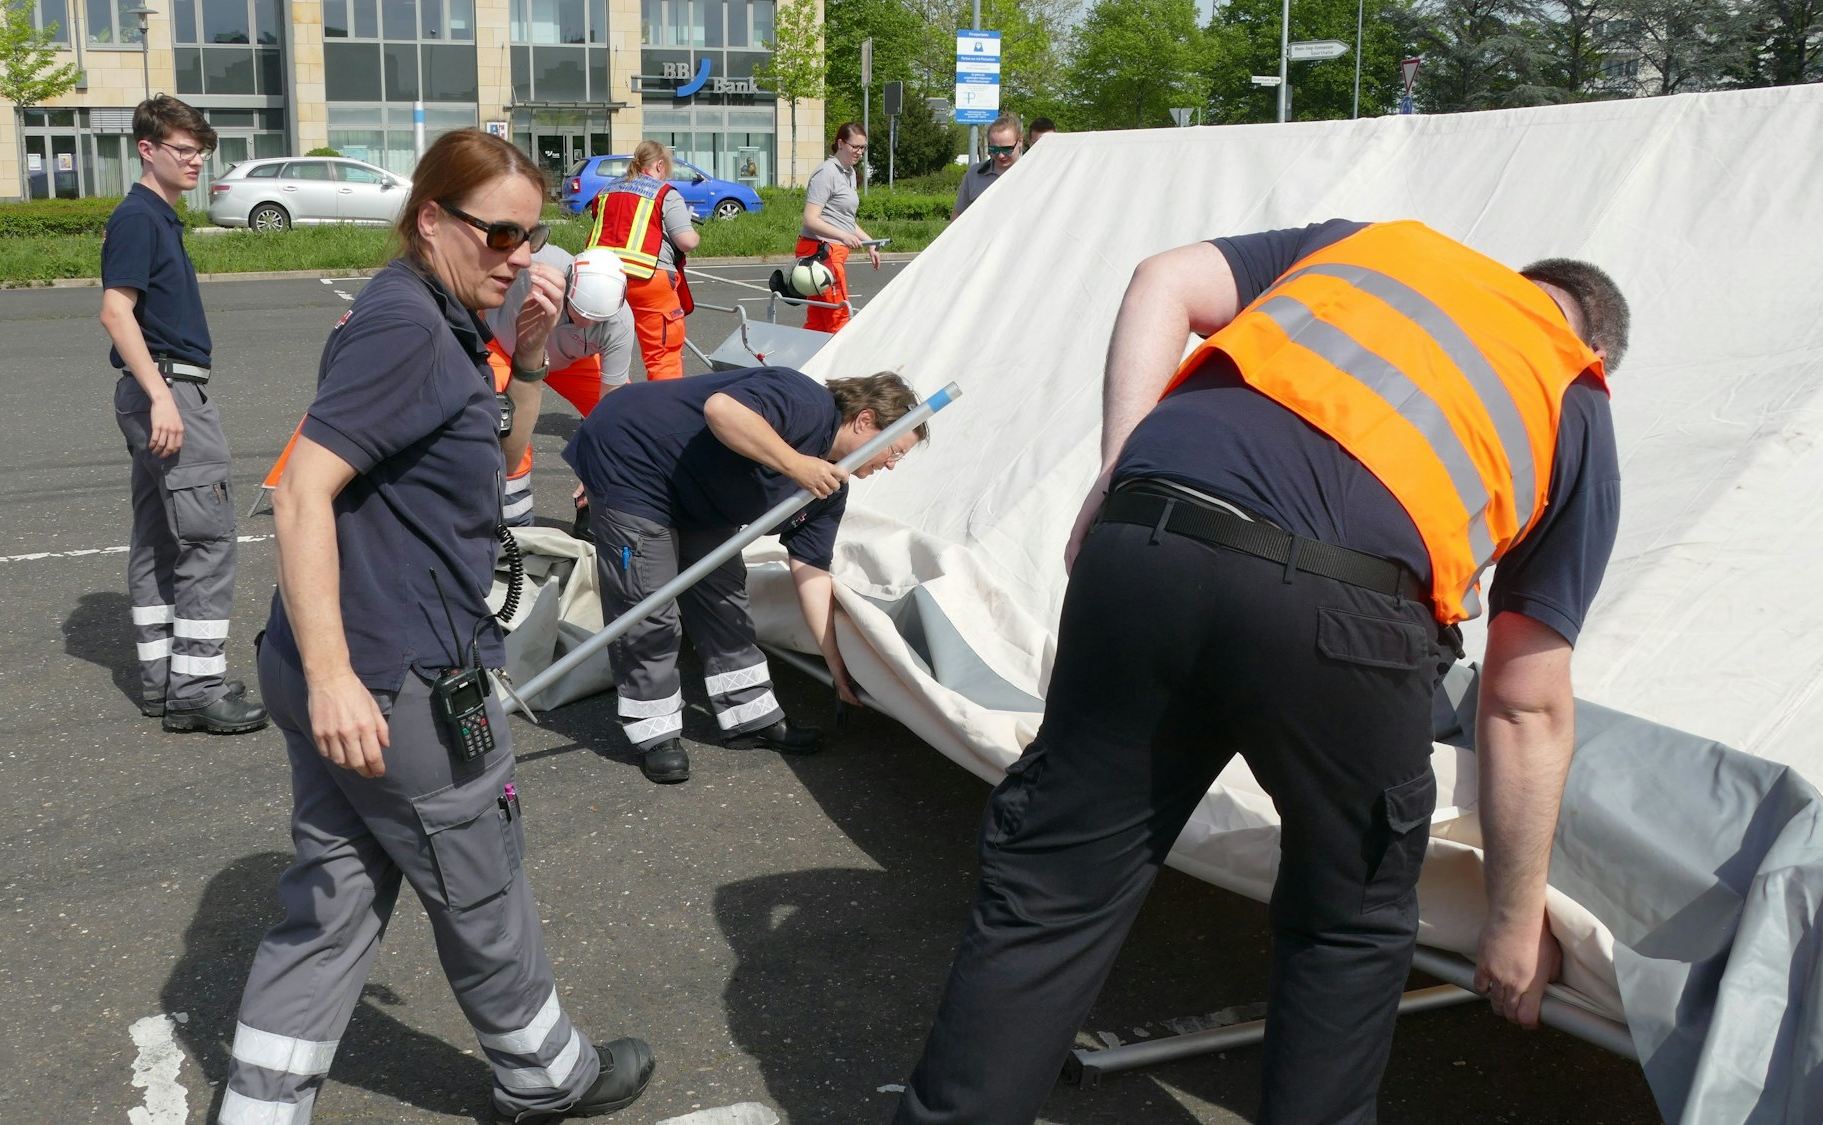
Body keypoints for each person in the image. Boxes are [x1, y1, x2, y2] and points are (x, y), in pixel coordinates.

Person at [894, 218, 1631, 1124]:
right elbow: (1524, 702)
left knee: (1056, 889)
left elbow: (1162, 276)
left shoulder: (1378, 247)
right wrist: (1514, 919)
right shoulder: (1575, 395)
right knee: (1346, 923)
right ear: (1594, 345)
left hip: (1148, 538)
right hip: (1348, 613)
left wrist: (1118, 470)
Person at [222, 130, 654, 1125]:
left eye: (532, 236)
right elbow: (299, 495)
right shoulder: (406, 328)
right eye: (497, 233)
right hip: (394, 680)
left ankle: (258, 1109)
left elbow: (481, 454)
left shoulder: (438, 318)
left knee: (330, 908)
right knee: (481, 885)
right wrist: (335, 678)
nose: (519, 256)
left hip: (348, 667)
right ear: (431, 220)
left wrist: (532, 356)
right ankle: (548, 1079)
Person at [562, 368, 924, 784]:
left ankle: (750, 717)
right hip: (633, 458)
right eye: (894, 451)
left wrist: (835, 660)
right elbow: (722, 409)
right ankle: (655, 734)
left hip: (701, 493)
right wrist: (795, 464)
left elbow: (811, 573)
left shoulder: (830, 490)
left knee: (724, 599)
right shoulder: (803, 401)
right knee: (649, 604)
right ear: (865, 421)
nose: (892, 466)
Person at [99, 95, 269, 735]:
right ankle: (198, 690)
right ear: (147, 149)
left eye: (201, 151)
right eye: (184, 150)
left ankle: (162, 683)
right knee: (206, 539)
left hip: (155, 390)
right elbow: (117, 312)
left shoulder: (153, 216)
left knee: (159, 538)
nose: (196, 161)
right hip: (168, 391)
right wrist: (164, 395)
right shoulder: (142, 216)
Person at [485, 245, 636, 534]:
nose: (585, 324)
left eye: (595, 321)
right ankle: (513, 521)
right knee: (505, 424)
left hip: (568, 362)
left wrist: (598, 468)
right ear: (567, 283)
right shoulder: (536, 265)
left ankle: (603, 510)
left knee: (629, 421)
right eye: (578, 314)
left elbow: (611, 408)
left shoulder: (619, 322)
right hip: (504, 347)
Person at [585, 141, 699, 382]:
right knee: (661, 356)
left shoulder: (607, 190)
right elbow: (686, 241)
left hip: (602, 280)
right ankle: (662, 416)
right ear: (659, 165)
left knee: (604, 352)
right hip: (648, 280)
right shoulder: (664, 192)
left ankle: (612, 410)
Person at [795, 123, 882, 334]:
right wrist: (844, 236)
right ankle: (840, 365)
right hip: (822, 253)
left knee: (819, 319)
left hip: (829, 252)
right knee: (838, 317)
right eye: (856, 147)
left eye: (863, 148)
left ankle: (808, 364)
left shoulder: (849, 173)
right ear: (841, 144)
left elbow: (844, 218)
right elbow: (810, 219)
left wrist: (870, 242)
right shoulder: (827, 172)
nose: (860, 153)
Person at [951, 112, 1023, 219]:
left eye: (1007, 149)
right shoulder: (974, 173)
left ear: (1020, 141)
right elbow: (958, 214)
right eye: (994, 149)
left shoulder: (1033, 173)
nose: (1001, 155)